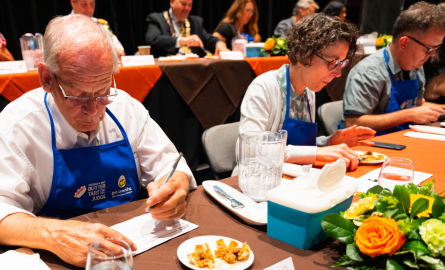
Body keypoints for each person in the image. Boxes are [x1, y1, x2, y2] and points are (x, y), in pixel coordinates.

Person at [0, 15, 196, 267]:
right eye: (78, 97)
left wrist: (176, 185)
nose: (93, 111)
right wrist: (55, 235)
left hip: (130, 251)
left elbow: (171, 166)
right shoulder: (17, 126)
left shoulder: (127, 109)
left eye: (103, 92)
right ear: (47, 79)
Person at [237, 13, 375, 172]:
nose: (338, 73)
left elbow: (298, 148)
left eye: (341, 63)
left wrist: (330, 142)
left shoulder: (309, 90)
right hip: (256, 182)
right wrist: (317, 153)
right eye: (333, 62)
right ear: (302, 55)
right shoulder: (265, 87)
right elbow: (250, 151)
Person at [341, 2, 445, 135]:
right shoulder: (369, 71)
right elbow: (353, 123)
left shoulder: (416, 66)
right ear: (404, 43)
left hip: (403, 139)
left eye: (437, 48)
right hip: (369, 147)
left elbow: (418, 106)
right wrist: (408, 114)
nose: (432, 54)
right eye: (429, 48)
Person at [145, 0, 228, 58]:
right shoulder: (156, 19)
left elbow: (208, 39)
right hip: (167, 71)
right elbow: (152, 40)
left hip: (194, 70)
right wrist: (182, 41)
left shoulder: (195, 22)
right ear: (172, 2)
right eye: (183, 4)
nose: (187, 8)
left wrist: (218, 43)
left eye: (190, 5)